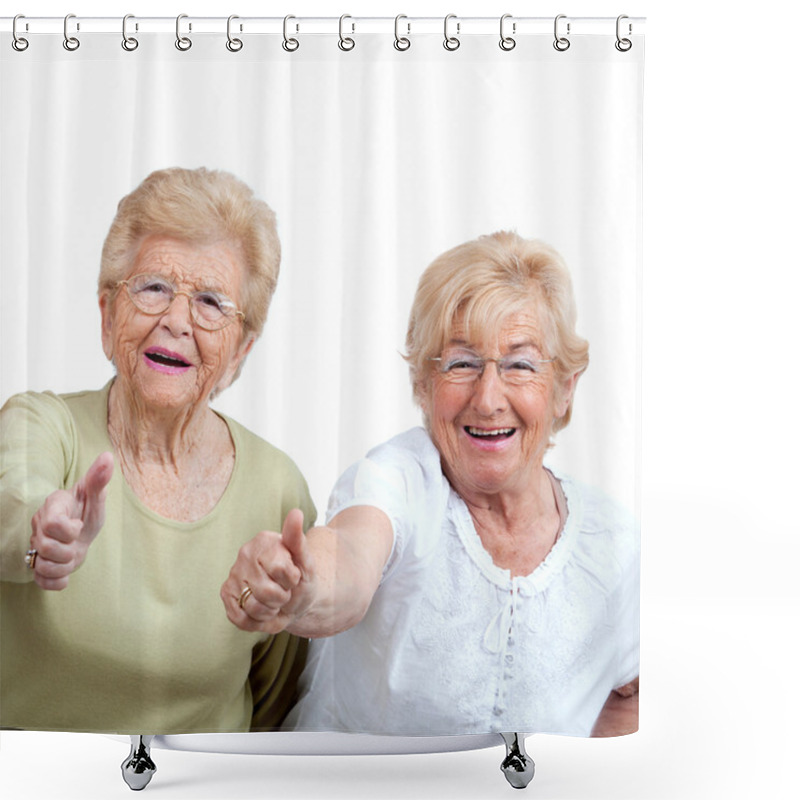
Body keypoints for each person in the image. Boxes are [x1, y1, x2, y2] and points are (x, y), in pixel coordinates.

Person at [222, 231, 639, 738]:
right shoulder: (396, 478)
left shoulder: (613, 544)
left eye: (520, 365)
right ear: (423, 384)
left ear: (563, 389)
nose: (488, 399)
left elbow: (634, 695)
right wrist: (302, 587)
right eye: (461, 363)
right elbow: (348, 561)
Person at [0, 167, 315, 734]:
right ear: (106, 314)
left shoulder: (277, 487)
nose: (175, 320)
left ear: (241, 350)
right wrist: (39, 534)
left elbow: (275, 709)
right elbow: (13, 500)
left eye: (212, 303)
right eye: (152, 288)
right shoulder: (40, 423)